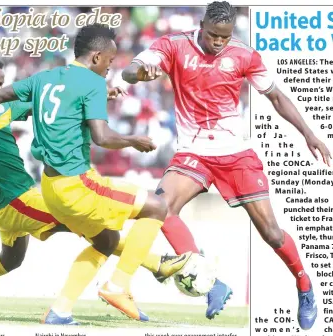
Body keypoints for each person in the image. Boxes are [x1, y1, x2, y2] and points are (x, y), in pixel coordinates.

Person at [0, 24, 188, 324]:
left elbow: (51, 101)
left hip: (11, 200)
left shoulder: (2, 111)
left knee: (10, 260)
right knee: (99, 232)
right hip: (16, 199)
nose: (1, 86)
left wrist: (100, 93)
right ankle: (157, 263)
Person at [121, 1, 330, 330]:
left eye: (225, 36)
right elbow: (133, 68)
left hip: (235, 153)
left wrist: (309, 135)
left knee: (272, 234)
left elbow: (276, 97)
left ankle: (304, 284)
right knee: (159, 207)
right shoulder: (175, 45)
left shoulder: (244, 54)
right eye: (214, 35)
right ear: (201, 24)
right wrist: (137, 74)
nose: (219, 42)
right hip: (194, 151)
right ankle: (209, 280)